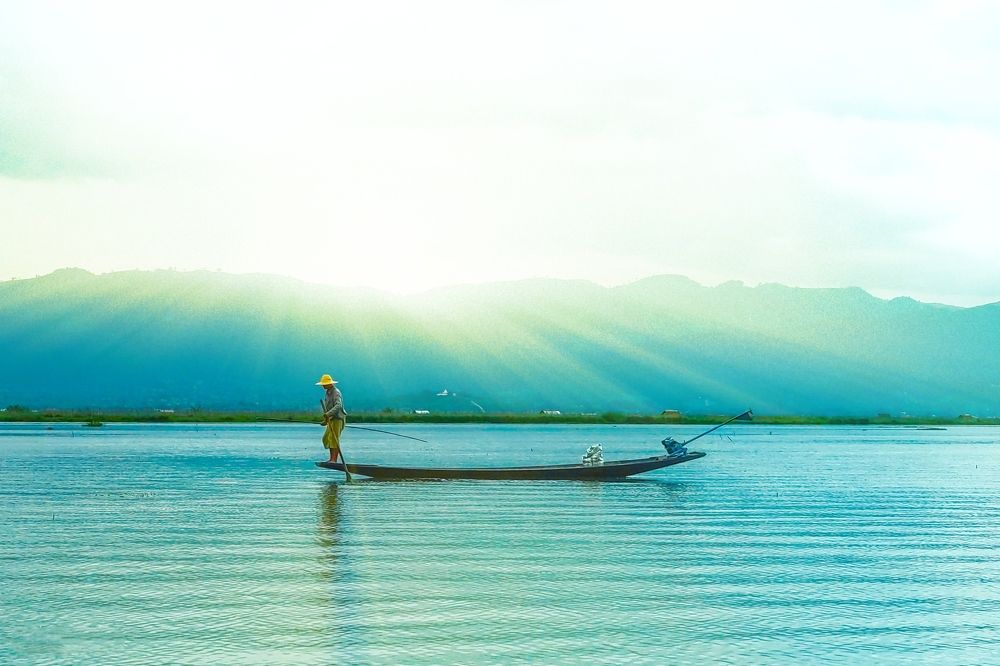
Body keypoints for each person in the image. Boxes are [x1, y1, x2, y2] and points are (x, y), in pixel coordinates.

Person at [316, 374, 347, 463]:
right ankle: (331, 459)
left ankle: (334, 460)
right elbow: (328, 409)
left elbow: (338, 406)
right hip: (331, 419)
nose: (323, 385)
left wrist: (328, 414)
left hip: (338, 418)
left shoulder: (336, 392)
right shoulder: (327, 393)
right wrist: (325, 421)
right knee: (326, 438)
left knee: (334, 439)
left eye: (324, 384)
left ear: (329, 384)